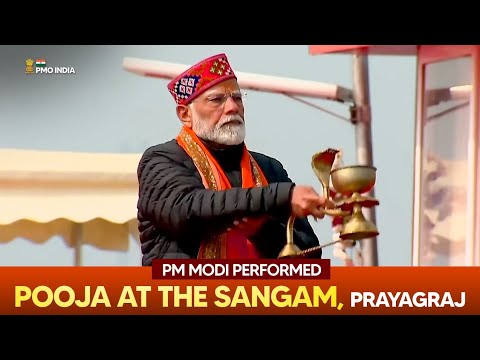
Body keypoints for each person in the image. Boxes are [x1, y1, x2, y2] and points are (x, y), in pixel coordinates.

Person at [137, 53, 332, 265]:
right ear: (185, 115)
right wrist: (282, 196)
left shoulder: (269, 168)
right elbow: (190, 210)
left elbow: (310, 257)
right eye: (216, 100)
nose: (232, 107)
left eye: (237, 98)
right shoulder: (161, 160)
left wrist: (261, 230)